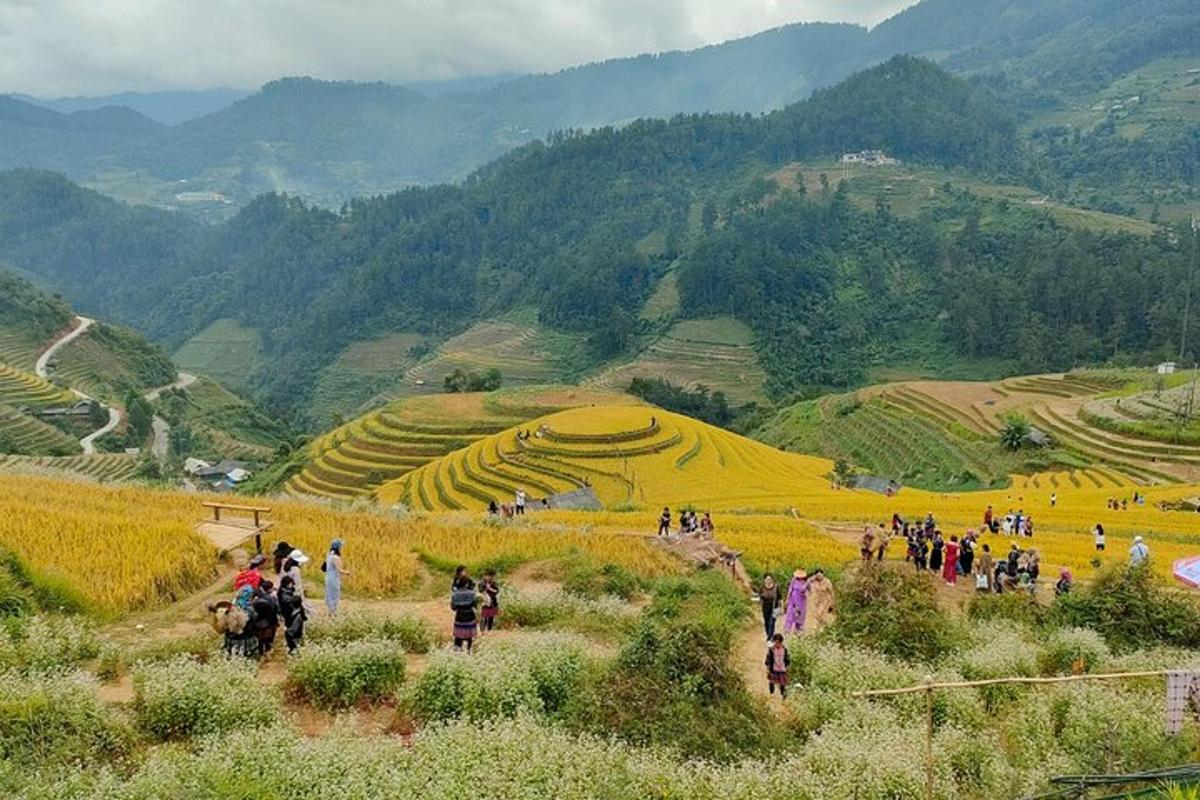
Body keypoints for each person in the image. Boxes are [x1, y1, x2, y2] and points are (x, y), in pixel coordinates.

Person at [277, 575, 306, 655]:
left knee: (290, 628)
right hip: (288, 613)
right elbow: (289, 602)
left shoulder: (283, 591)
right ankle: (292, 646)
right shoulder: (285, 595)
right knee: (293, 629)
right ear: (287, 584)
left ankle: (291, 645)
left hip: (287, 613)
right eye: (290, 583)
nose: (292, 585)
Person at [451, 571, 478, 652]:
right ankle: (468, 651)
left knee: (458, 636)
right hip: (470, 615)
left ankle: (457, 652)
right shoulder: (472, 593)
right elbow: (475, 605)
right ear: (467, 584)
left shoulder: (454, 594)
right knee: (469, 637)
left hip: (459, 616)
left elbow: (453, 608)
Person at [252, 579, 280, 654]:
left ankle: (261, 652)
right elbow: (275, 609)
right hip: (268, 622)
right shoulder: (271, 598)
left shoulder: (255, 601)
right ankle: (268, 649)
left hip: (258, 622)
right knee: (268, 636)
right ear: (269, 589)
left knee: (260, 638)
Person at [323, 539, 350, 616]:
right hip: (333, 578)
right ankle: (333, 612)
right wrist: (347, 572)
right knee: (335, 595)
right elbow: (339, 570)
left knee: (329, 595)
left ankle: (330, 612)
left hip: (328, 577)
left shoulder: (329, 555)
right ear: (338, 547)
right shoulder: (336, 558)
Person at [764, 633, 790, 700]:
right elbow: (768, 659)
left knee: (782, 683)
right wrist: (768, 668)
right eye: (776, 642)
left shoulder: (784, 650)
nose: (777, 644)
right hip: (774, 669)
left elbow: (787, 659)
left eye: (778, 642)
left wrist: (787, 667)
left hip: (782, 669)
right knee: (772, 682)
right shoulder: (771, 650)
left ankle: (783, 696)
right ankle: (771, 694)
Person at [784, 569, 809, 634]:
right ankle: (787, 629)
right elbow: (790, 590)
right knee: (790, 613)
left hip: (802, 601)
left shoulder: (806, 582)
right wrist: (787, 599)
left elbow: (810, 591)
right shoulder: (794, 580)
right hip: (793, 600)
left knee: (800, 615)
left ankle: (798, 629)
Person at [758, 574, 781, 642]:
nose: (768, 581)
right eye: (767, 579)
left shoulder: (776, 587)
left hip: (774, 607)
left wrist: (781, 607)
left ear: (772, 580)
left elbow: (780, 598)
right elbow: (759, 596)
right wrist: (761, 597)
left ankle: (770, 637)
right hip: (765, 607)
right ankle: (768, 634)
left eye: (769, 579)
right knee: (766, 622)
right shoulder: (762, 587)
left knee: (772, 622)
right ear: (764, 580)